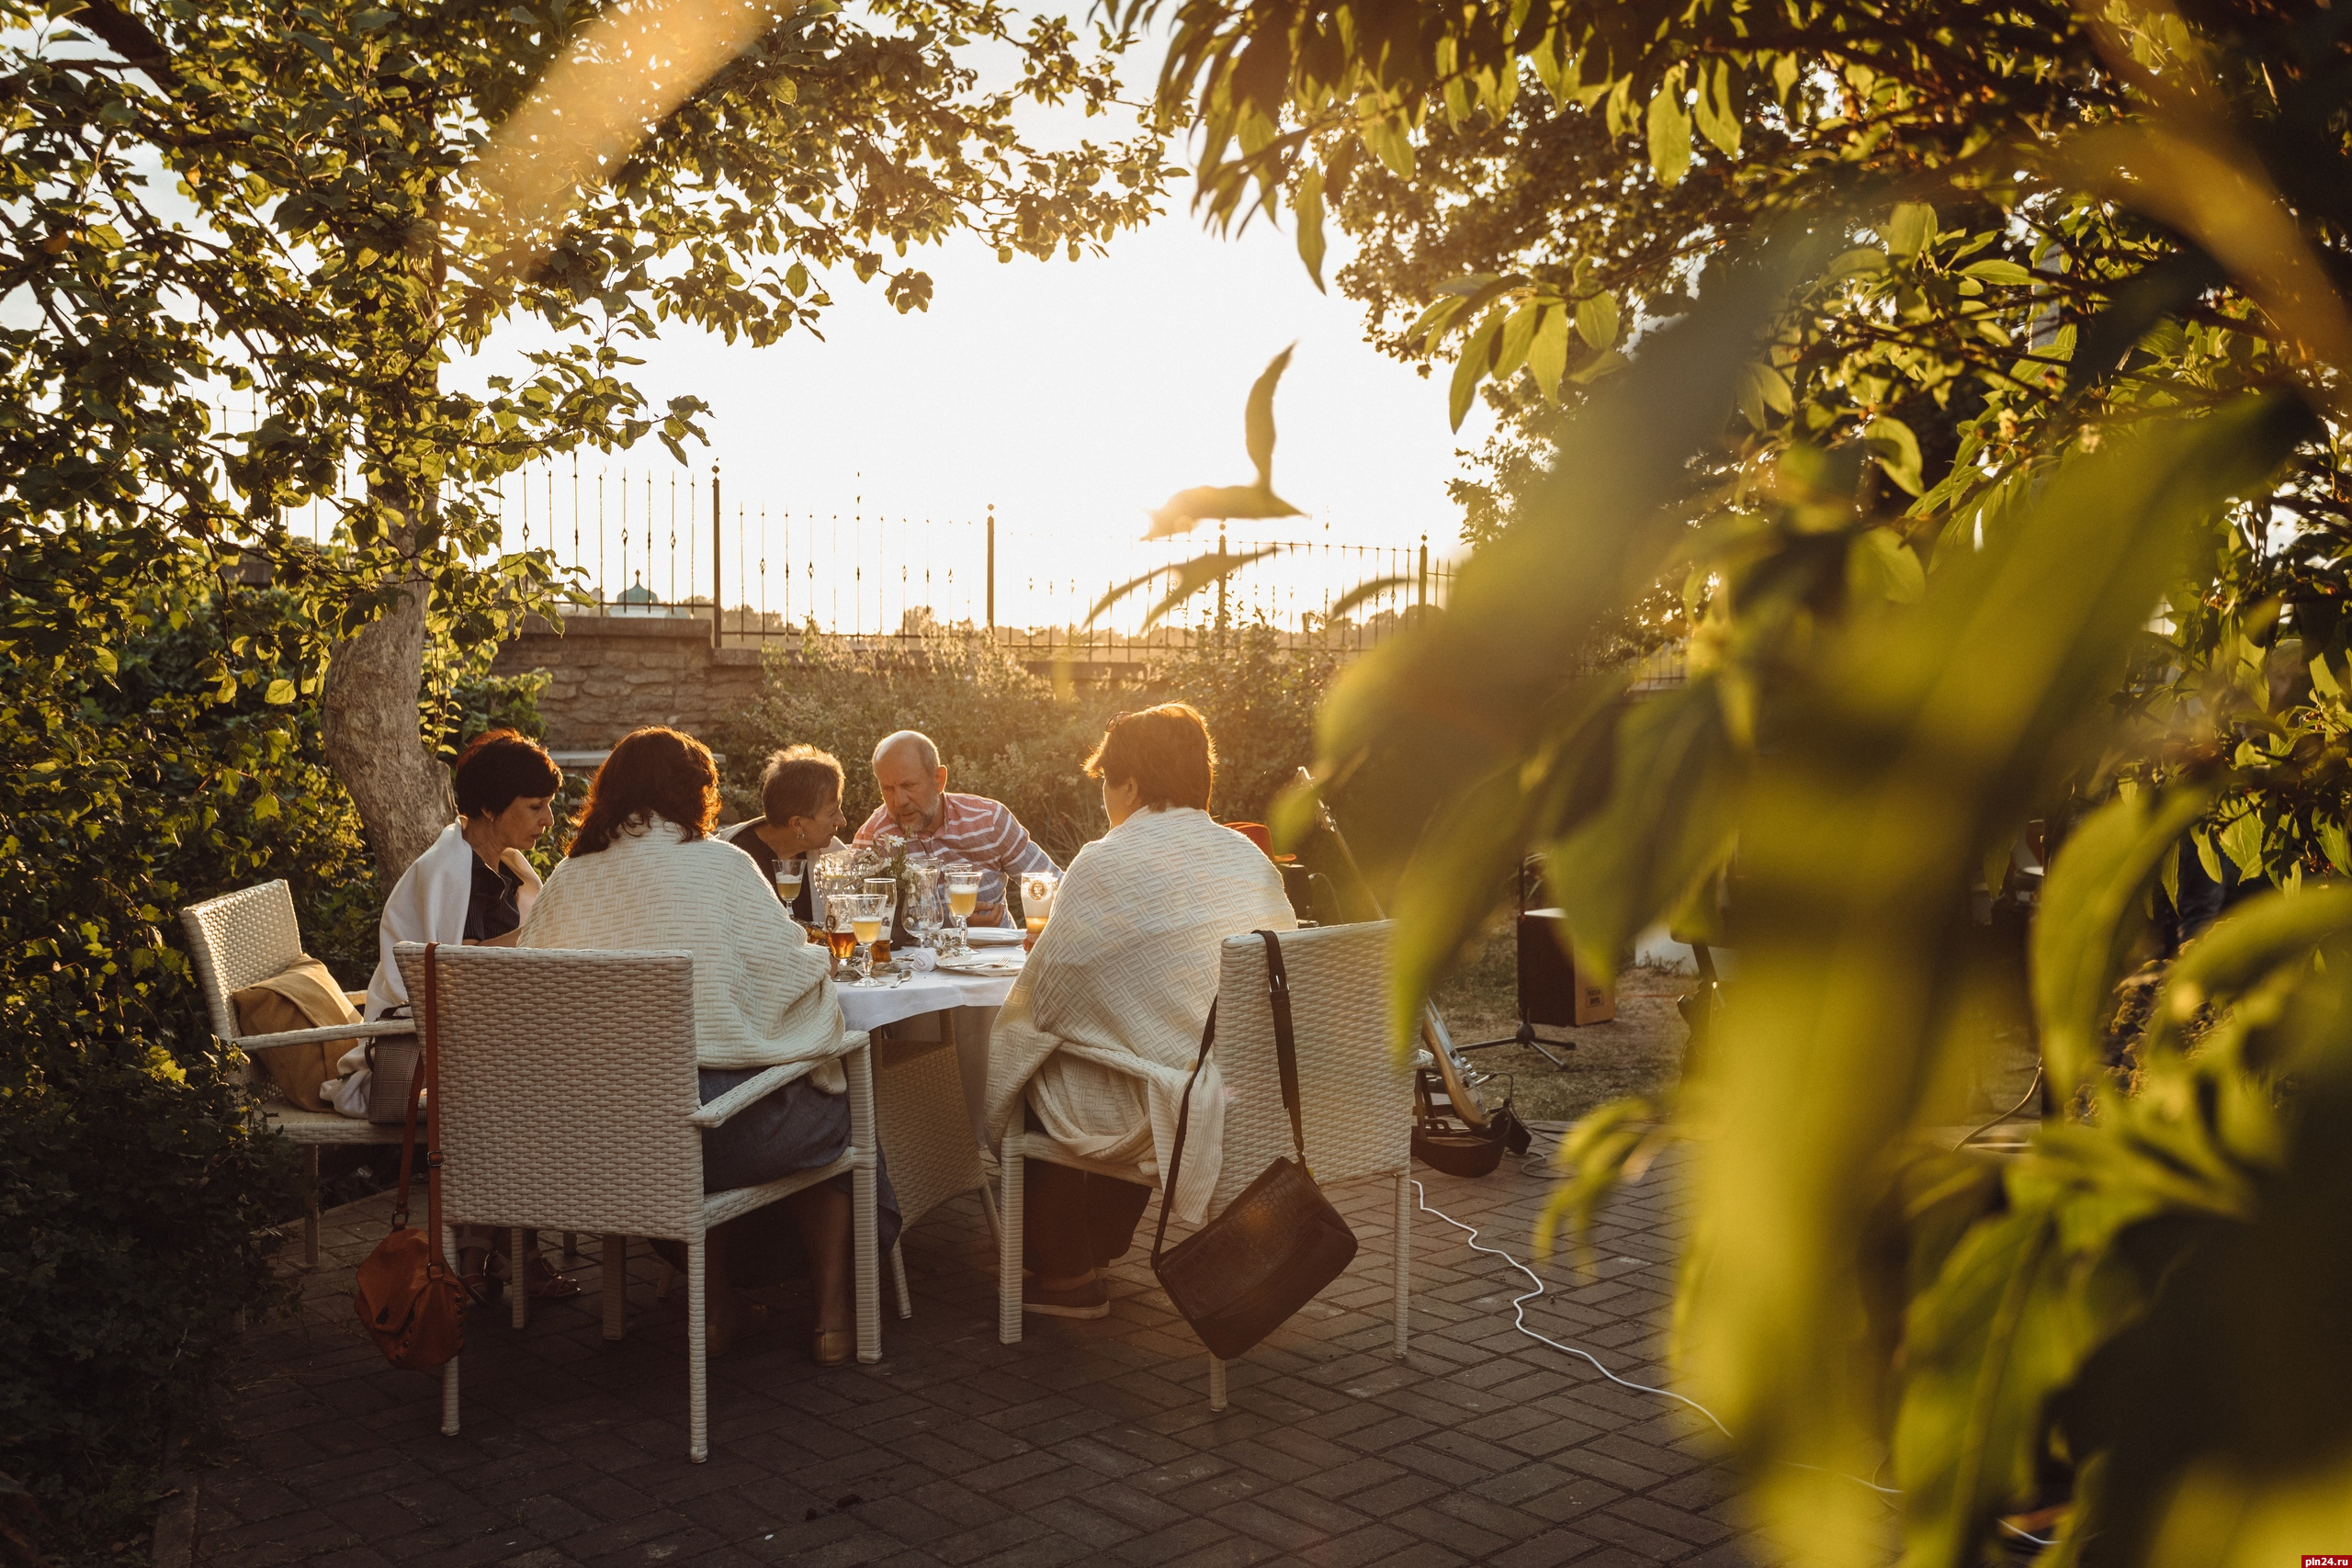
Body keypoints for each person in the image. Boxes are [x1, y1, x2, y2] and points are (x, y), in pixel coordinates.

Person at [516, 726, 900, 1363]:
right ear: (693, 794)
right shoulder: (721, 864)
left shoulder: (567, 879)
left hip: (599, 1137)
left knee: (686, 1089)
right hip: (713, 1135)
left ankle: (718, 1304)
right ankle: (833, 1318)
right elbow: (796, 975)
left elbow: (534, 999)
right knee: (834, 1101)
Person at [980, 704, 1295, 1319]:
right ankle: (1094, 1245)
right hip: (1248, 1088)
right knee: (1126, 1054)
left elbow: (1052, 1004)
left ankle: (1068, 1272)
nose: (1103, 795)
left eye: (1105, 781)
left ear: (1128, 783)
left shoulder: (1104, 860)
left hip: (1172, 1098)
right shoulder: (1245, 856)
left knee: (1033, 1068)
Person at [353, 728, 577, 1303]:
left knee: (543, 1089)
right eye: (536, 807)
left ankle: (494, 1250)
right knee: (527, 1099)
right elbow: (443, 972)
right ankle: (504, 1252)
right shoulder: (446, 873)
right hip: (413, 1046)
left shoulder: (503, 866)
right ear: (486, 807)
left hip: (475, 1040)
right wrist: (542, 935)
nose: (547, 822)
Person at [852, 729, 1054, 927]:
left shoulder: (989, 820)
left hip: (1000, 956)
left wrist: (1038, 933)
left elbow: (1055, 887)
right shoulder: (873, 839)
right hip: (913, 959)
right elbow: (859, 919)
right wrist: (955, 922)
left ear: (939, 779)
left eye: (909, 785)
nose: (899, 801)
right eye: (888, 789)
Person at [719, 745, 848, 921]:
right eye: (832, 813)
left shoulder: (831, 855)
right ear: (797, 824)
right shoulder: (735, 861)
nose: (842, 822)